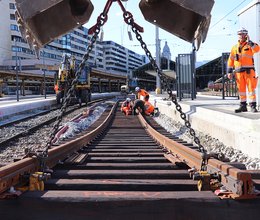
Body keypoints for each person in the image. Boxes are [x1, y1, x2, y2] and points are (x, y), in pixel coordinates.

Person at [227, 27, 260, 113]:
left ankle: (253, 106)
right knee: (241, 90)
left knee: (251, 89)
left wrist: (251, 43)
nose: (241, 36)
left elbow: (257, 49)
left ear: (246, 35)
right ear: (238, 35)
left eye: (243, 34)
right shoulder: (234, 48)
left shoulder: (250, 45)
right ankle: (243, 106)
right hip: (238, 72)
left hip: (249, 71)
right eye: (240, 34)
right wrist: (229, 72)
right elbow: (230, 60)